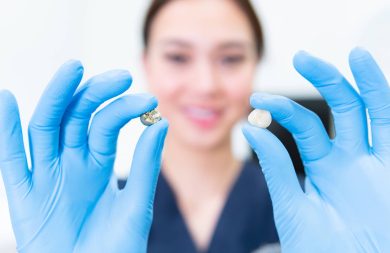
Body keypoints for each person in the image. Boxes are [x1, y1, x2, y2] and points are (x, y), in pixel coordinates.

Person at [0, 1, 389, 253]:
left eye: (231, 58)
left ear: (255, 66)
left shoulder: (325, 213)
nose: (205, 84)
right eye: (178, 57)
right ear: (148, 64)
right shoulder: (83, 211)